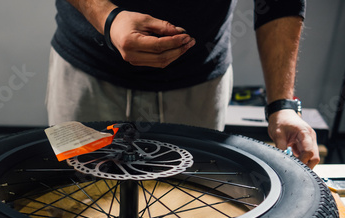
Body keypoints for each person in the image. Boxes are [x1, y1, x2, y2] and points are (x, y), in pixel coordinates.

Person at [46, 0, 320, 169]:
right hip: (88, 73)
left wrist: (282, 106)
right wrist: (107, 18)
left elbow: (280, 2)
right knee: (79, 205)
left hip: (199, 87)